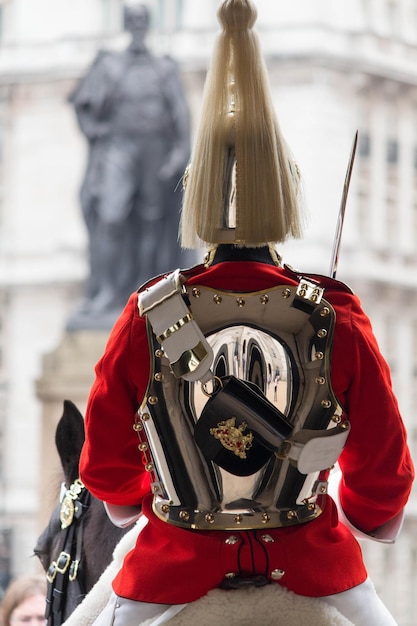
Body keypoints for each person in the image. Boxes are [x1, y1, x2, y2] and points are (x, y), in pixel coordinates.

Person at [78, 1, 414, 625]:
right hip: (317, 567)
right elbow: (386, 469)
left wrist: (138, 500)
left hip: (170, 566)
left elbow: (103, 463)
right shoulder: (333, 313)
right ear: (285, 194)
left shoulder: (150, 313)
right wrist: (368, 512)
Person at [67, 3, 191, 329]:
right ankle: (106, 292)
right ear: (126, 25)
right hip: (118, 150)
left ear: (147, 25)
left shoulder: (163, 69)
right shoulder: (110, 65)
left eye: (142, 20)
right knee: (110, 215)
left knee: (152, 221)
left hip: (154, 150)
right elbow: (82, 103)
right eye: (132, 20)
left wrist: (179, 153)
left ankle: (146, 286)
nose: (137, 25)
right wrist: (95, 132)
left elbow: (180, 115)